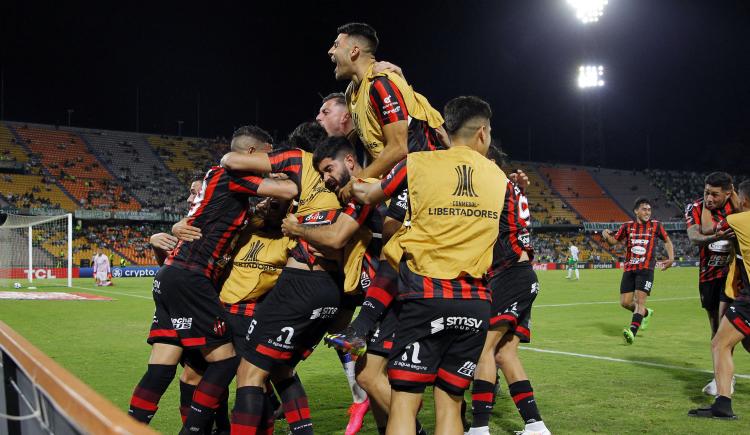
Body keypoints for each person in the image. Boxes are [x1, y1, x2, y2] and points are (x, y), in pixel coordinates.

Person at [351, 95, 506, 434]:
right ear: (482, 133)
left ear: (447, 130)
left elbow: (366, 194)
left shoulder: (417, 164)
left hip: (424, 297)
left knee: (405, 403)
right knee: (450, 404)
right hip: (476, 303)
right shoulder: (499, 178)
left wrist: (353, 177)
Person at [128, 126, 297, 434]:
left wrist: (179, 224)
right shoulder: (233, 174)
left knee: (163, 364)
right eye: (268, 156)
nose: (271, 162)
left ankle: (128, 426)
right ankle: (193, 430)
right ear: (249, 155)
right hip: (193, 277)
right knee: (225, 361)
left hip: (171, 276)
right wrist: (293, 174)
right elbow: (289, 192)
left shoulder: (217, 180)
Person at [221, 123, 350, 434]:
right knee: (281, 368)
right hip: (335, 292)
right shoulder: (350, 180)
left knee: (249, 373)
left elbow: (231, 161)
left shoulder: (299, 161)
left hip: (302, 283)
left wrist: (276, 184)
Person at [466, 160, 550, 435]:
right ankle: (535, 426)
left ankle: (479, 428)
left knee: (484, 349)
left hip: (510, 273)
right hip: (523, 274)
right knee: (505, 353)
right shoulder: (511, 188)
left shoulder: (493, 186)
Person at [688, 179, 750, 419]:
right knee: (744, 343)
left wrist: (705, 203)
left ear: (741, 200)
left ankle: (723, 404)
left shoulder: (737, 221)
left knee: (719, 343)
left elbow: (705, 229)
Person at [685, 172, 738, 395]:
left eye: (715, 195)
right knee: (716, 329)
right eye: (707, 192)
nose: (709, 198)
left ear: (728, 193)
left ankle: (725, 378)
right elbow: (694, 237)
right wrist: (718, 236)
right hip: (709, 275)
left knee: (734, 332)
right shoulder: (694, 207)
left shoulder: (738, 207)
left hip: (735, 275)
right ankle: (724, 379)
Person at [602, 198, 675, 345]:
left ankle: (632, 332)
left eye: (649, 210)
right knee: (625, 302)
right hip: (629, 268)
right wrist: (605, 234)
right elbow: (613, 242)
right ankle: (646, 313)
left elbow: (667, 241)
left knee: (640, 301)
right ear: (636, 211)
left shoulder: (656, 226)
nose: (647, 212)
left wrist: (671, 258)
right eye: (644, 209)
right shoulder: (627, 226)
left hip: (646, 269)